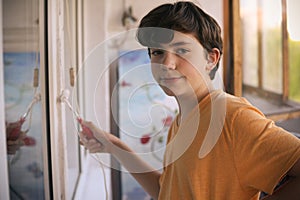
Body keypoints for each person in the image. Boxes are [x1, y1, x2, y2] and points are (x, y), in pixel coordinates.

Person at [79, 1, 300, 199]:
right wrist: (113, 145)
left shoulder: (231, 116)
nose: (167, 63)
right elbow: (165, 190)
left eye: (181, 50)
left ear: (211, 59)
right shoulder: (181, 120)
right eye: (157, 52)